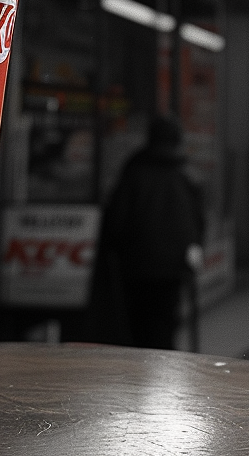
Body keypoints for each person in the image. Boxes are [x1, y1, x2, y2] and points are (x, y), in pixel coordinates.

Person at [92, 116, 206, 349]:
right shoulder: (186, 175)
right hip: (173, 265)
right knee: (165, 322)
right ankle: (161, 372)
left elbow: (116, 221)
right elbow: (198, 222)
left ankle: (140, 373)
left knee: (137, 323)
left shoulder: (134, 172)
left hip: (136, 264)